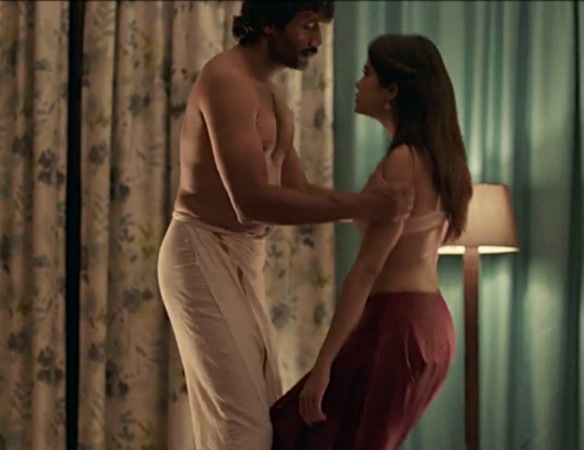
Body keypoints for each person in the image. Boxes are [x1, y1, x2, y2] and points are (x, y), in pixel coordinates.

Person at [156, 2, 415, 450]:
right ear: (268, 23)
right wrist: (364, 204)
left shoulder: (271, 95)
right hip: (201, 250)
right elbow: (251, 202)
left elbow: (298, 189)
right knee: (244, 430)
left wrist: (366, 208)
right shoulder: (226, 81)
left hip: (243, 256)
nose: (317, 40)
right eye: (308, 25)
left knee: (262, 421)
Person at [270, 33, 474, 450]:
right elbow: (330, 201)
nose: (358, 82)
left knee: (292, 430)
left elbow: (366, 270)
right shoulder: (439, 157)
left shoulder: (403, 161)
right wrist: (285, 139)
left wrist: (323, 365)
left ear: (391, 91)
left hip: (397, 324)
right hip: (430, 323)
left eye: (367, 73)